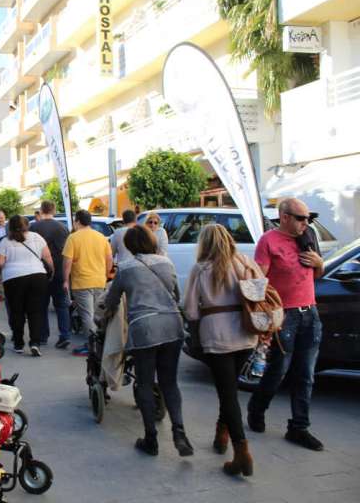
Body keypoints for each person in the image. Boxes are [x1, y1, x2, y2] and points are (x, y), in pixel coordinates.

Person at [102, 225, 192, 457]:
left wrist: (104, 315)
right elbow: (176, 295)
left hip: (144, 328)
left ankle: (150, 437)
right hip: (172, 325)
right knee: (169, 382)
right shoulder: (167, 263)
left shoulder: (125, 268)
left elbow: (111, 301)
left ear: (130, 246)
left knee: (144, 382)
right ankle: (179, 432)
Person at [247, 198, 325, 451]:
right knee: (278, 369)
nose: (306, 223)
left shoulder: (309, 236)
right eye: (301, 218)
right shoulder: (268, 241)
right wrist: (262, 320)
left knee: (306, 374)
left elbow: (317, 274)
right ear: (285, 217)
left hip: (309, 313)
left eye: (308, 219)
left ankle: (299, 427)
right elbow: (259, 279)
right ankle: (257, 408)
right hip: (284, 315)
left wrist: (319, 264)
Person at [184, 224, 261, 476]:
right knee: (229, 390)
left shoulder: (201, 269)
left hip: (217, 337)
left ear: (204, 244)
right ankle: (222, 432)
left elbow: (191, 310)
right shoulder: (245, 262)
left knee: (227, 393)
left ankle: (241, 453)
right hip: (247, 334)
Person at [0, 215, 53, 357]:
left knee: (16, 311)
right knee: (36, 311)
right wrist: (51, 274)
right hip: (38, 276)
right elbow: (47, 257)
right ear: (27, 225)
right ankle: (35, 343)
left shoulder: (6, 241)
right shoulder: (37, 237)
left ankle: (19, 344)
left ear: (10, 226)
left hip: (14, 279)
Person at [62, 210, 112, 352]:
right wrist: (105, 275)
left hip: (81, 282)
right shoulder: (101, 237)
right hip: (99, 281)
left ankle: (92, 345)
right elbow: (109, 259)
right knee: (97, 314)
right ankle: (101, 344)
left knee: (87, 315)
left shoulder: (73, 238)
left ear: (77, 221)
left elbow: (67, 262)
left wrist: (65, 280)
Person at [30, 200, 72, 349]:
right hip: (60, 271)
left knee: (41, 305)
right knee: (62, 305)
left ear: (41, 210)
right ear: (54, 210)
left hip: (39, 271)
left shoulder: (33, 227)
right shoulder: (63, 228)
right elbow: (68, 253)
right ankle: (65, 335)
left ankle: (42, 336)